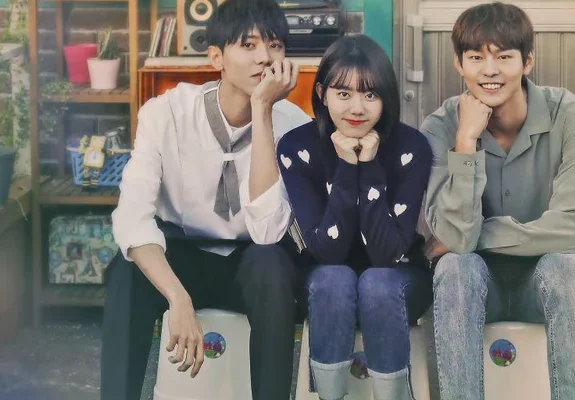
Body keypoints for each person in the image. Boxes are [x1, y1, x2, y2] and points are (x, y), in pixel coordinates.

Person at [100, 0, 312, 399]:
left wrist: (263, 112)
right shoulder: (166, 114)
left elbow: (268, 231)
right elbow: (132, 216)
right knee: (127, 272)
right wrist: (176, 296)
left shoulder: (296, 128)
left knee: (273, 267)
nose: (264, 58)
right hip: (182, 257)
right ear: (216, 57)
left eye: (275, 46)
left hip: (252, 263)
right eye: (248, 45)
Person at [421, 3, 575, 400]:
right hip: (473, 287)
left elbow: (569, 230)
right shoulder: (440, 128)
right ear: (458, 63)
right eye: (476, 58)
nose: (490, 70)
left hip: (540, 285)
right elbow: (456, 242)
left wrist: (475, 235)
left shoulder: (573, 117)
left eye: (503, 57)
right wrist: (466, 143)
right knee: (455, 267)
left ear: (527, 61)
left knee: (567, 268)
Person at [276, 34, 433, 400]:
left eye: (370, 94)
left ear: (386, 98)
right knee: (334, 278)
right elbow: (327, 251)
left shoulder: (411, 147)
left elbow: (386, 254)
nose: (357, 108)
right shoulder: (297, 147)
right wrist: (347, 167)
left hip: (398, 278)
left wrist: (371, 165)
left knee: (377, 282)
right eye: (343, 93)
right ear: (322, 94)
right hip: (324, 282)